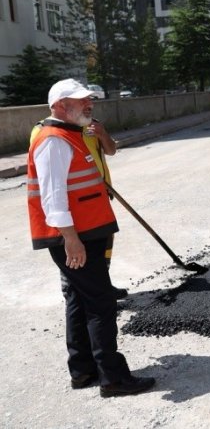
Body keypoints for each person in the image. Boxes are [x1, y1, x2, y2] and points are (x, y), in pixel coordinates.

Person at [27, 79, 155, 397]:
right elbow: (53, 198)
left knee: (78, 299)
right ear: (59, 106)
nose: (89, 105)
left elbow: (101, 159)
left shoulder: (76, 132)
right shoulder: (53, 140)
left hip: (89, 231)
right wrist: (70, 239)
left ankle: (83, 371)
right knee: (101, 303)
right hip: (75, 238)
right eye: (80, 101)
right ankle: (112, 378)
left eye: (89, 100)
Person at [30, 113, 128, 299]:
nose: (87, 106)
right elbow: (48, 176)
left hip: (99, 198)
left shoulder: (92, 125)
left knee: (101, 250)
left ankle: (102, 285)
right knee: (73, 254)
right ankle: (72, 292)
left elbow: (111, 150)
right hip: (70, 206)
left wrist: (103, 134)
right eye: (80, 101)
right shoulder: (45, 131)